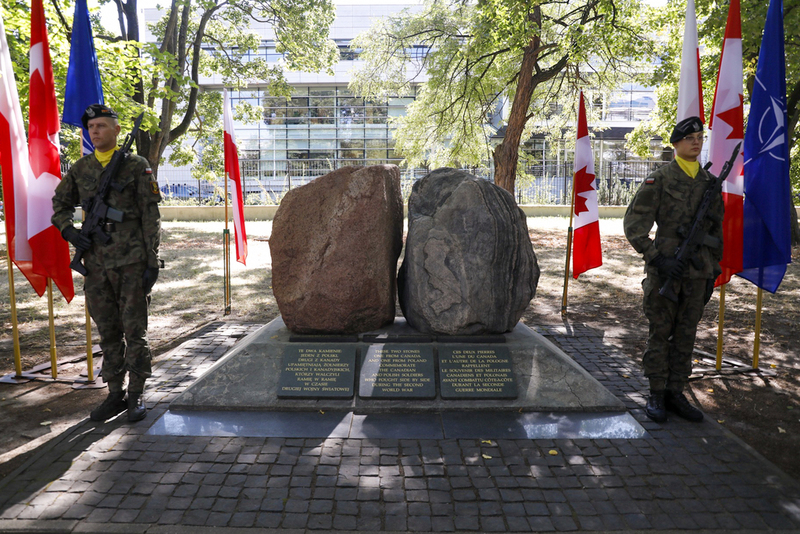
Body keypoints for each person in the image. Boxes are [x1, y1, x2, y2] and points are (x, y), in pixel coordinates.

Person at [52, 104, 162, 423]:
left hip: (131, 261)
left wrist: (151, 260)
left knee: (135, 331)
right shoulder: (81, 168)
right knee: (108, 331)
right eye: (91, 127)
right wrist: (70, 231)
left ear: (116, 130)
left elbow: (151, 216)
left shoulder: (136, 165)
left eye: (101, 125)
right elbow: (59, 204)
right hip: (96, 264)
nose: (95, 131)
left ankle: (136, 393)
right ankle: (115, 393)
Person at [623, 116, 723, 423]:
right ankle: (656, 392)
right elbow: (634, 225)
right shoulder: (660, 179)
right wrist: (656, 258)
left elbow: (716, 231)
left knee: (686, 334)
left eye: (700, 137)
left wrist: (713, 269)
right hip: (666, 270)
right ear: (676, 143)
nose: (696, 142)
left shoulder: (710, 183)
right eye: (689, 137)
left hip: (698, 272)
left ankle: (675, 391)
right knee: (660, 332)